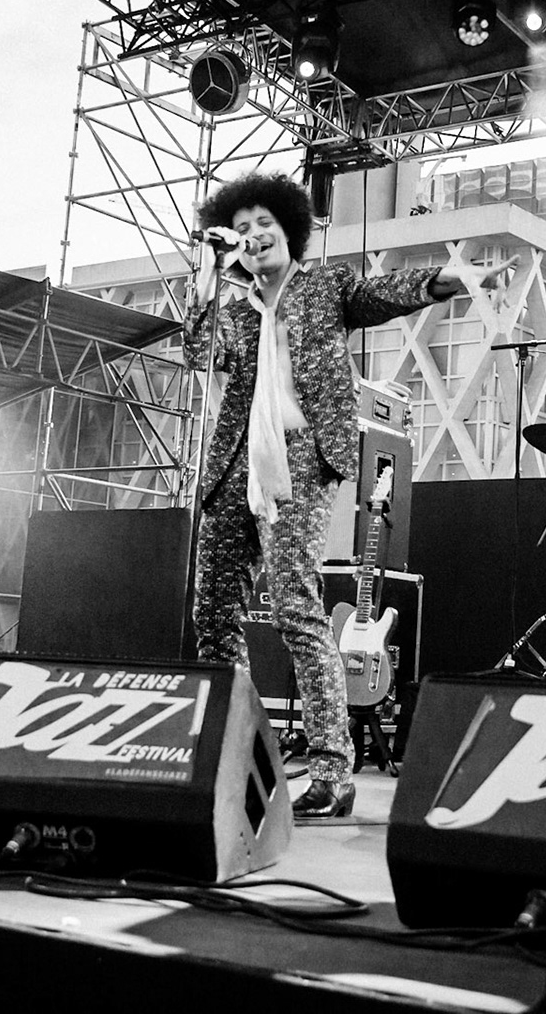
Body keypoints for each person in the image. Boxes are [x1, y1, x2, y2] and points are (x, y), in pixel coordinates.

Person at [185, 173, 516, 819]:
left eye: (264, 227)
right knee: (211, 618)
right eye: (241, 229)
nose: (253, 237)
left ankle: (332, 771)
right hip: (233, 470)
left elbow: (383, 293)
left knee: (293, 606)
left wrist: (455, 278)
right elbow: (201, 349)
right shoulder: (232, 309)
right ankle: (234, 752)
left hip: (303, 462)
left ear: (289, 233)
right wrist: (206, 271)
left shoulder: (323, 287)